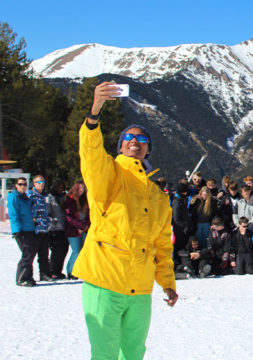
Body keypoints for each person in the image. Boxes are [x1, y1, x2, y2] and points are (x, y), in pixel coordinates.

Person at [74, 82, 178, 360]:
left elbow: (162, 244)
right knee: (105, 353)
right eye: (129, 137)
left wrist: (167, 282)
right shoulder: (107, 175)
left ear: (148, 150)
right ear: (120, 145)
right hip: (105, 281)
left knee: (133, 353)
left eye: (141, 139)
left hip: (140, 289)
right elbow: (91, 154)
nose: (135, 141)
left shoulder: (158, 196)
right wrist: (94, 115)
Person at [7, 177, 38, 287]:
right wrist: (17, 231)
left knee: (32, 252)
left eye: (25, 184)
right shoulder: (13, 197)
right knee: (27, 253)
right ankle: (21, 278)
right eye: (20, 184)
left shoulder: (25, 197)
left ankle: (28, 276)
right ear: (16, 185)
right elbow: (13, 215)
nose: (23, 186)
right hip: (21, 230)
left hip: (29, 229)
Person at [62, 180, 90, 280]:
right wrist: (80, 226)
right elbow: (69, 217)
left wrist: (85, 226)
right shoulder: (70, 200)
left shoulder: (85, 200)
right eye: (80, 188)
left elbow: (89, 215)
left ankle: (78, 270)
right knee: (76, 251)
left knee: (82, 251)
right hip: (73, 230)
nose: (81, 190)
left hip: (84, 229)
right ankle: (70, 271)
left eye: (83, 188)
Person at [27, 175, 52, 281]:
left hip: (45, 229)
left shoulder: (45, 196)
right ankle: (28, 276)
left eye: (43, 181)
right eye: (39, 182)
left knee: (44, 254)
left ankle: (44, 274)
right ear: (34, 183)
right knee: (31, 255)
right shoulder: (30, 195)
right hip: (34, 230)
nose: (41, 184)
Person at [47, 182, 68, 280]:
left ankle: (58, 271)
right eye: (58, 187)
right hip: (55, 228)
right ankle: (52, 271)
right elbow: (48, 212)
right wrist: (53, 222)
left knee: (64, 250)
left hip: (65, 227)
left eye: (62, 187)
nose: (60, 189)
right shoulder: (50, 198)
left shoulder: (64, 196)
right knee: (56, 251)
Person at [171, 182, 192, 266]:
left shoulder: (181, 200)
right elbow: (176, 218)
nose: (186, 193)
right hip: (179, 230)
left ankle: (181, 264)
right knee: (179, 247)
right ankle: (178, 264)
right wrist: (184, 226)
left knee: (182, 247)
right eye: (184, 192)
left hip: (182, 229)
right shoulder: (176, 202)